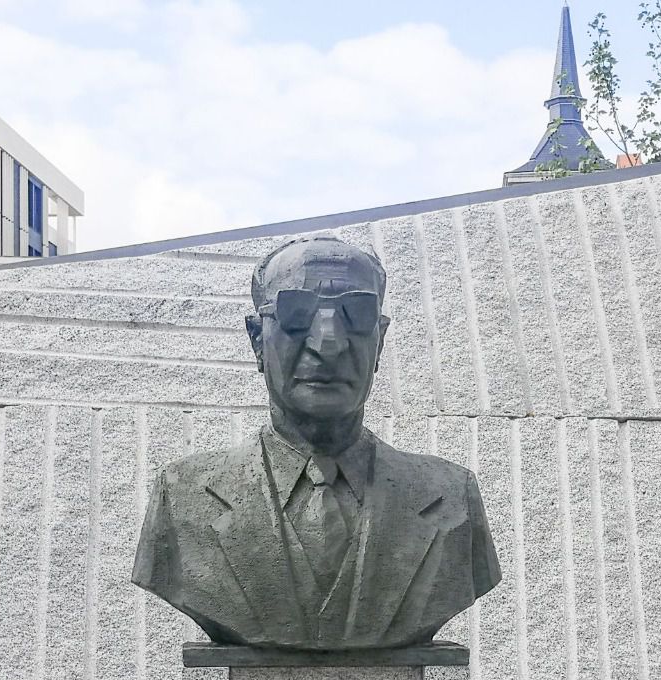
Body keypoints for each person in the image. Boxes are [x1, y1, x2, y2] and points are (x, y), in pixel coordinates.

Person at [132, 236, 499, 649]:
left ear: (379, 338)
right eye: (297, 313)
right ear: (256, 339)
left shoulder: (451, 497)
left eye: (355, 314)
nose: (328, 343)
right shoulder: (183, 498)